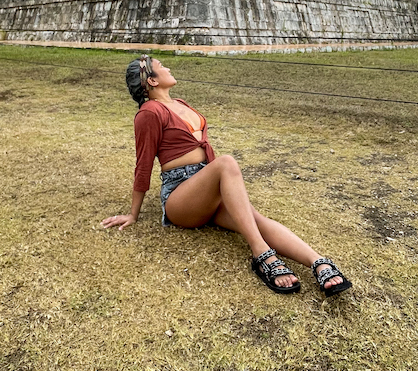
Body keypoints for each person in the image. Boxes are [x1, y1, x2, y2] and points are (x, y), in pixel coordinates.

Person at [101, 55, 352, 296]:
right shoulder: (149, 113)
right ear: (152, 80)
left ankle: (318, 262)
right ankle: (261, 252)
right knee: (226, 163)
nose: (167, 68)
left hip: (207, 189)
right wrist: (133, 214)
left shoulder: (180, 103)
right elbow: (143, 164)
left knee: (255, 219)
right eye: (161, 66)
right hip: (180, 197)